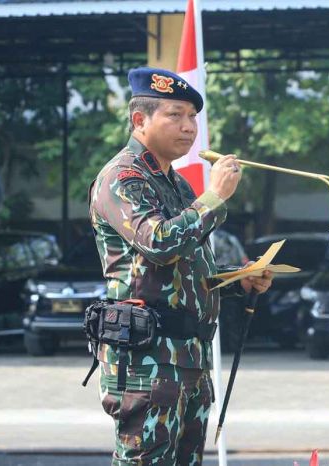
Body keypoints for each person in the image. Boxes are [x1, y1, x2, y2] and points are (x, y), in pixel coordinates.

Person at [89, 67, 273, 465]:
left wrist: (240, 279)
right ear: (140, 120)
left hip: (189, 357)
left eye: (192, 116)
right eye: (175, 115)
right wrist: (214, 198)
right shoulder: (122, 177)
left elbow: (191, 269)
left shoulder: (176, 184)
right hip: (147, 361)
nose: (188, 127)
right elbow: (158, 242)